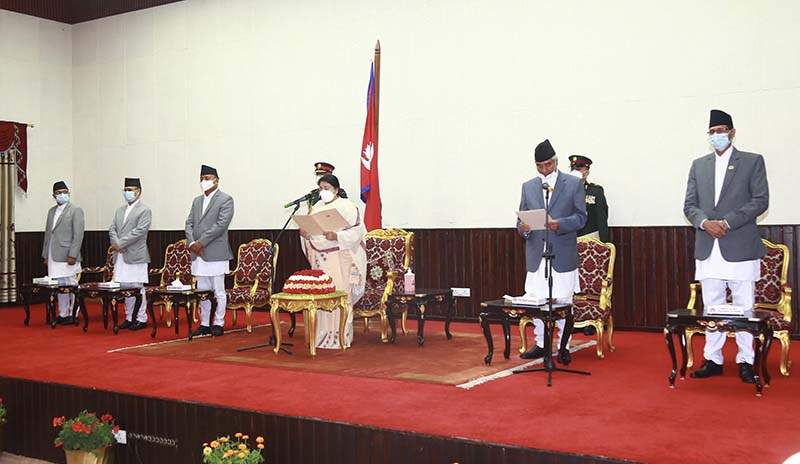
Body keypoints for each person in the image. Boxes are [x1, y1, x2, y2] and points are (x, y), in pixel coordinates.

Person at [684, 109, 769, 384]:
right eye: (712, 132)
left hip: (739, 243)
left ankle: (746, 360)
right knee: (712, 304)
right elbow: (690, 205)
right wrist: (705, 222)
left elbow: (760, 200)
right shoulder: (699, 165)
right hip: (708, 243)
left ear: (732, 132)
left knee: (744, 304)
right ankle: (713, 358)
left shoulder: (752, 161)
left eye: (721, 130)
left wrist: (727, 222)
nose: (717, 136)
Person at [517, 140, 587, 363]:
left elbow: (581, 217)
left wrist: (562, 223)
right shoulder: (528, 186)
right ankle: (540, 344)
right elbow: (519, 221)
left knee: (563, 301)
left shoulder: (573, 183)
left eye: (548, 165)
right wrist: (523, 228)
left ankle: (563, 345)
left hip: (562, 252)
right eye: (540, 166)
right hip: (537, 253)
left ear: (556, 162)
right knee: (537, 300)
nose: (544, 170)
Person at [299, 173, 366, 349]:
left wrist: (337, 235)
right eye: (321, 189)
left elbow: (357, 232)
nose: (324, 192)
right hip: (320, 259)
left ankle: (341, 337)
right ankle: (322, 336)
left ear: (336, 189)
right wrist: (306, 234)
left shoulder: (347, 206)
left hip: (340, 257)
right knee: (321, 296)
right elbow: (312, 232)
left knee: (339, 295)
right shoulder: (316, 207)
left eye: (327, 188)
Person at [185, 165, 234, 337]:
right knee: (202, 290)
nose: (204, 181)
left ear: (216, 180)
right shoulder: (197, 201)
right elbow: (189, 223)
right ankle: (205, 323)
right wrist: (192, 243)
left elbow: (220, 226)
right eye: (202, 178)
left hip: (215, 252)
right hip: (198, 253)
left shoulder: (225, 199)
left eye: (208, 178)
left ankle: (219, 323)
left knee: (219, 290)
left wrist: (201, 242)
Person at [109, 177, 152, 330]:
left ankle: (141, 318)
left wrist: (120, 244)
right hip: (120, 255)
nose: (127, 192)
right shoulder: (119, 210)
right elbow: (112, 229)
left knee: (136, 286)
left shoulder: (144, 210)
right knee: (125, 286)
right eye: (125, 190)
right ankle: (129, 317)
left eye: (130, 190)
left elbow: (139, 231)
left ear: (138, 192)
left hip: (135, 254)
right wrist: (116, 244)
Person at [42, 181, 85, 325]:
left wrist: (73, 254)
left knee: (70, 284)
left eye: (65, 192)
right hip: (53, 254)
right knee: (59, 285)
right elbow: (48, 234)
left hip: (68, 255)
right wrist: (45, 255)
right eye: (59, 193)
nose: (62, 195)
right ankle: (63, 313)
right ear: (53, 195)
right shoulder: (51, 211)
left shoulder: (75, 210)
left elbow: (78, 235)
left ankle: (73, 314)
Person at [569, 155, 610, 242]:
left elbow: (601, 218)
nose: (575, 172)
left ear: (587, 172)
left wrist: (604, 242)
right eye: (573, 169)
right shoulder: (564, 191)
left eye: (579, 169)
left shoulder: (595, 191)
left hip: (590, 238)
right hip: (569, 238)